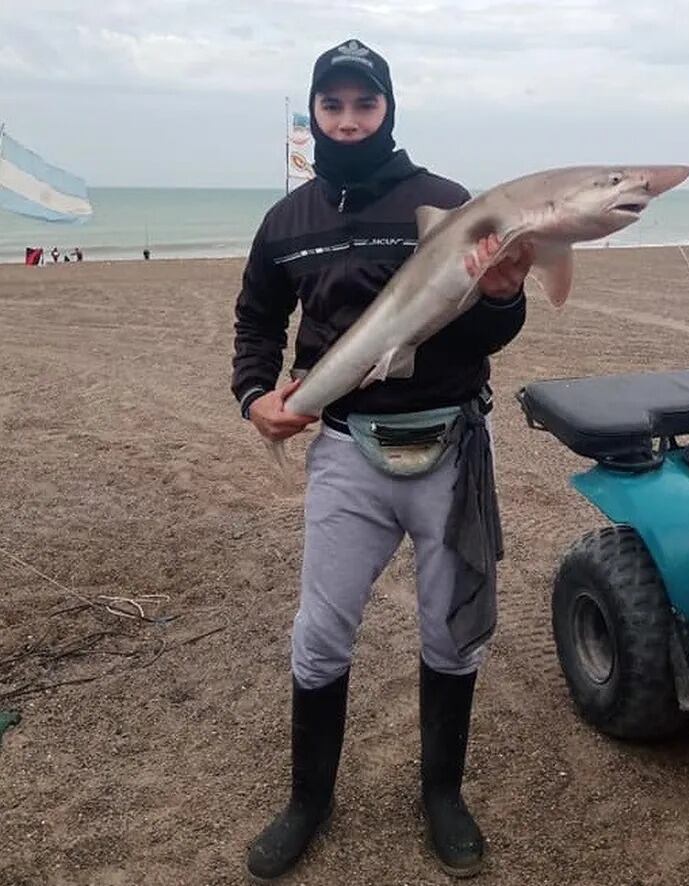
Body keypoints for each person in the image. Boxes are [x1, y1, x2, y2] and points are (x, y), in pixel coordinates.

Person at [231, 38, 532, 881]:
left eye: (367, 105)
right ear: (316, 113)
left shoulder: (444, 204)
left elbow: (488, 333)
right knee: (321, 635)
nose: (351, 120)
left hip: (451, 444)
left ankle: (442, 793)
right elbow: (256, 319)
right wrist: (255, 394)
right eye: (335, 106)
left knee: (451, 631)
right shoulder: (287, 222)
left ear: (388, 109)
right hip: (345, 453)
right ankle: (308, 800)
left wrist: (502, 295)